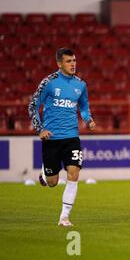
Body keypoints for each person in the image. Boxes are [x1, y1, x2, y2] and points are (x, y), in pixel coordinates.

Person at [28, 48, 96, 227]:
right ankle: (46, 171)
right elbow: (33, 106)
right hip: (51, 137)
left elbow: (84, 105)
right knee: (52, 182)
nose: (73, 64)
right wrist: (39, 129)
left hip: (72, 137)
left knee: (74, 173)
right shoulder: (49, 82)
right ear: (59, 64)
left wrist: (88, 119)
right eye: (68, 61)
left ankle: (64, 217)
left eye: (74, 60)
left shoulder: (80, 85)